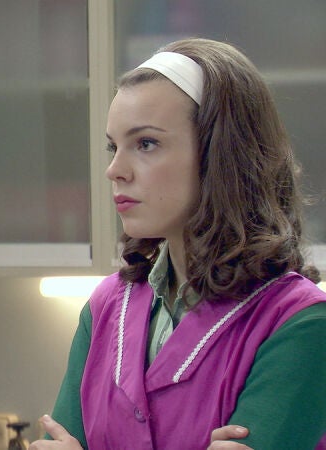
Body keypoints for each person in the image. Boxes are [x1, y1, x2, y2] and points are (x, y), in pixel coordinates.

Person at [30, 38, 326, 449]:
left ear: (221, 154)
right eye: (114, 147)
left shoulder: (302, 325)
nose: (114, 170)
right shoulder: (105, 309)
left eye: (145, 143)